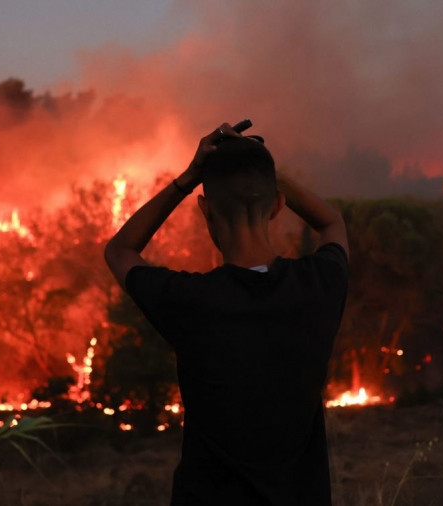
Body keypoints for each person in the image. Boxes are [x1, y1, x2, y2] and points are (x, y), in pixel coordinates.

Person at [103, 122, 349, 505]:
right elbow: (332, 221)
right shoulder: (319, 286)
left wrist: (189, 178)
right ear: (278, 205)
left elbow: (120, 251)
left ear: (205, 211)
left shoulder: (190, 302)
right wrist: (265, 171)